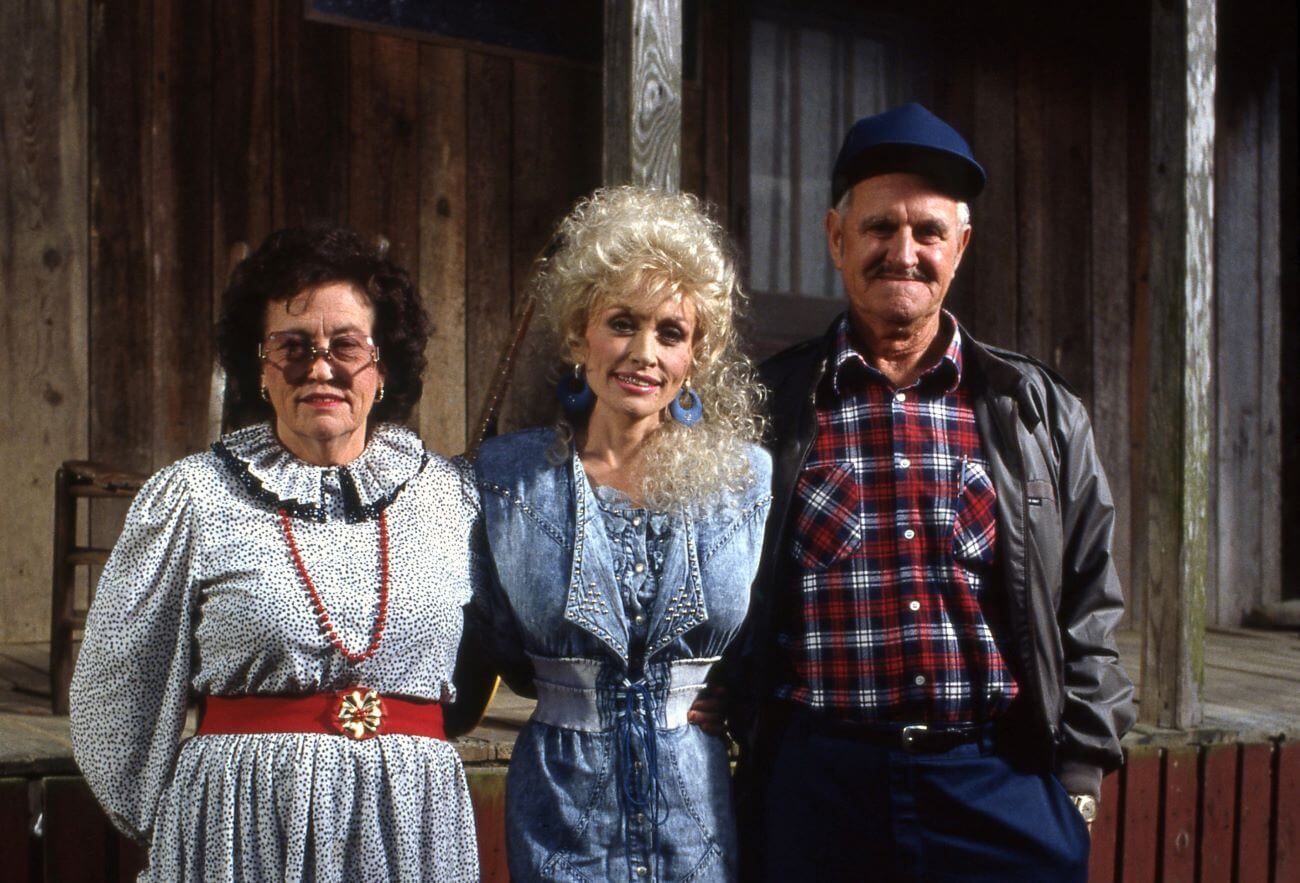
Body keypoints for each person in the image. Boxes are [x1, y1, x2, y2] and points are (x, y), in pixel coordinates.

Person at [724, 103, 1136, 881]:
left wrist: (1078, 778)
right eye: (880, 228)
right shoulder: (769, 406)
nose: (902, 252)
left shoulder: (1036, 411)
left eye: (928, 232)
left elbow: (1091, 604)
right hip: (816, 788)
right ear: (837, 238)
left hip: (997, 780)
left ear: (961, 248)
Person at [70, 225, 480, 881]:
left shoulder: (453, 498)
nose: (321, 368)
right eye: (293, 348)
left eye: (346, 345)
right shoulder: (194, 496)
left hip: (410, 825)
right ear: (259, 368)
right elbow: (114, 697)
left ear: (384, 364)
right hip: (243, 827)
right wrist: (191, 818)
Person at [467, 186, 771, 882]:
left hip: (696, 813)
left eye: (671, 331)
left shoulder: (744, 481)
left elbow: (769, 635)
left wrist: (723, 694)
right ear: (579, 333)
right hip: (561, 809)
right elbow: (494, 639)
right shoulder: (510, 479)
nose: (643, 352)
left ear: (696, 353)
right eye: (621, 322)